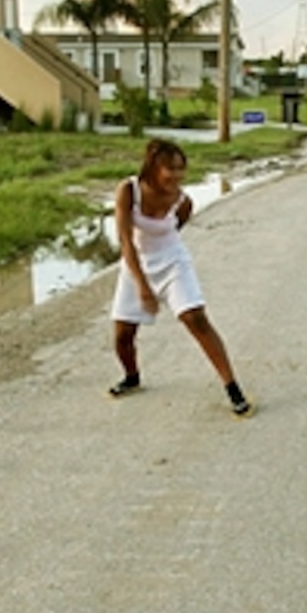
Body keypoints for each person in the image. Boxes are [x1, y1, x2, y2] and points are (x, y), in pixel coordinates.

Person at [108, 137, 251, 415]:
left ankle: (232, 387)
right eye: (169, 169)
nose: (176, 175)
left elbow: (175, 228)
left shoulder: (183, 201)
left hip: (173, 261)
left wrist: (164, 265)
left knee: (195, 319)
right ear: (152, 167)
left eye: (180, 169)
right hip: (135, 262)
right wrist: (143, 287)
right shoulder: (129, 191)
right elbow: (125, 242)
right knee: (123, 335)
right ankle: (132, 377)